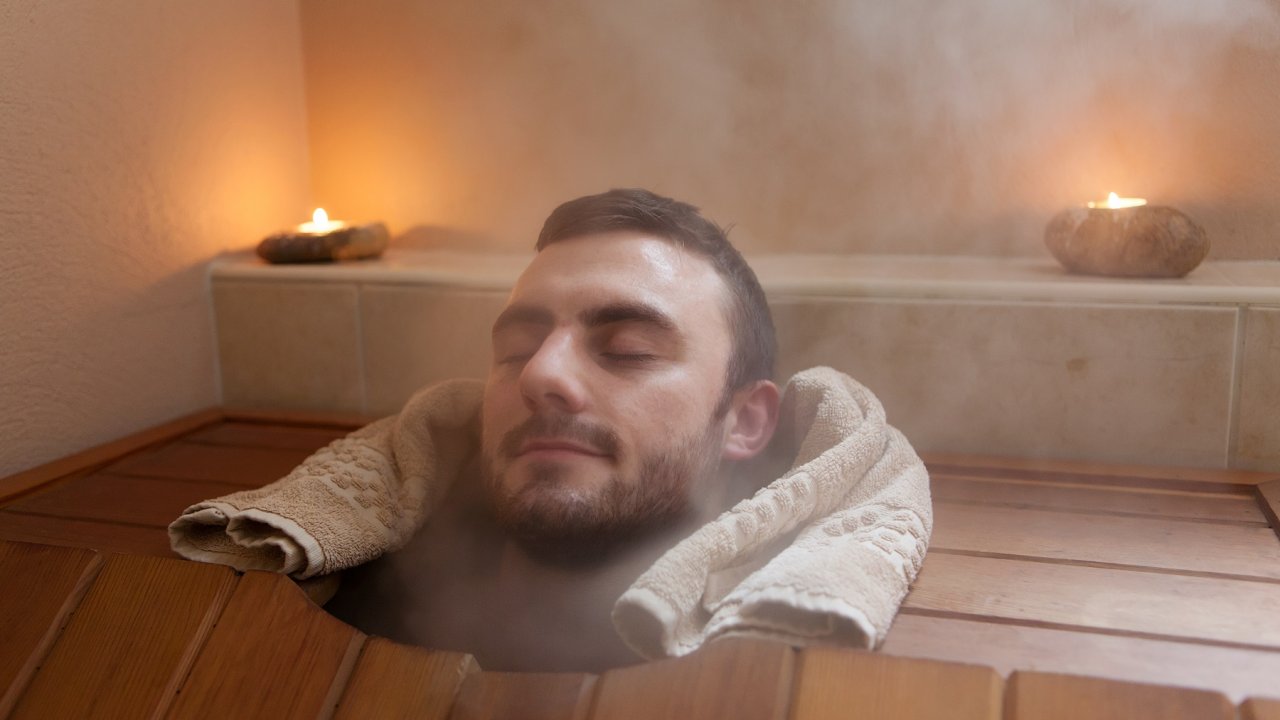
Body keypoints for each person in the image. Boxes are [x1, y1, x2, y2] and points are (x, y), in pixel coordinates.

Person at [325, 188, 785, 671]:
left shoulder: (782, 667)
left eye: (628, 350)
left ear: (745, 421)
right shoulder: (341, 612)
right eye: (517, 349)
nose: (540, 373)